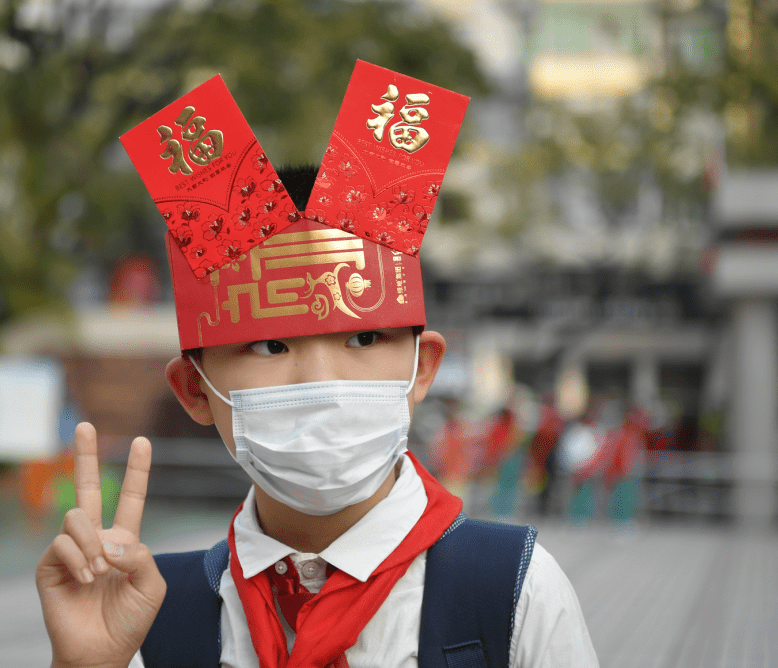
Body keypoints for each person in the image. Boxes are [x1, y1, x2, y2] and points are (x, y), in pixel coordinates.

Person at [36, 62, 598, 668]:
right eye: (271, 347)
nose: (322, 381)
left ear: (423, 367)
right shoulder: (149, 615)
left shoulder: (512, 596)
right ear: (194, 390)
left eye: (363, 340)